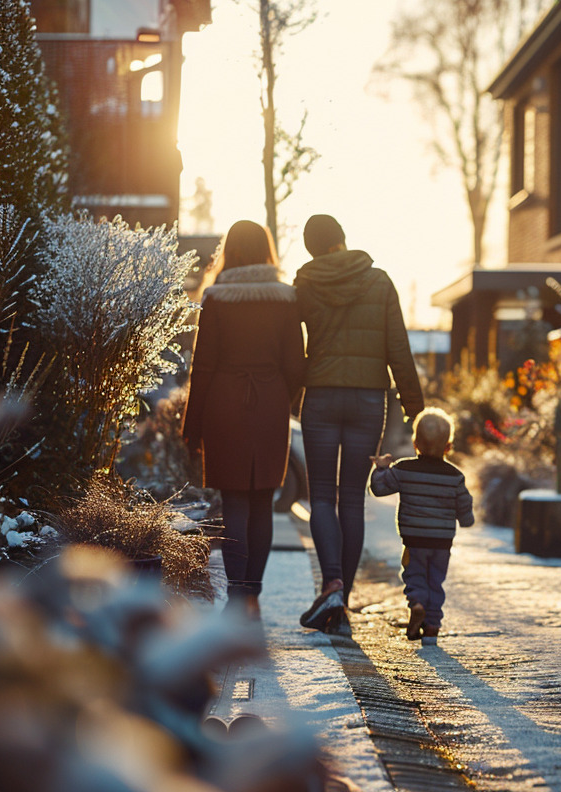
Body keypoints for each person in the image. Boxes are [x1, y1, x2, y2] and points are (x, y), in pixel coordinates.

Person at [294, 214, 425, 634]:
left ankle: (331, 584)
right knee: (351, 499)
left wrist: (296, 384)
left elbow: (289, 345)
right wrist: (415, 409)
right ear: (343, 240)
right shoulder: (379, 281)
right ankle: (341, 602)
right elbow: (398, 348)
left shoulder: (305, 283)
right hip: (369, 399)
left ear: (312, 248)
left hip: (322, 397)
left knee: (321, 497)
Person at [182, 220, 305, 620]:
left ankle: (237, 596)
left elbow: (202, 367)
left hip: (224, 404)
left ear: (229, 251)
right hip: (270, 404)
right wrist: (281, 398)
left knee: (233, 498)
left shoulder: (216, 299)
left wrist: (192, 426)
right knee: (263, 502)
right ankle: (252, 596)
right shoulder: (286, 298)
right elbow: (295, 365)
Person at [369, 407, 474, 646]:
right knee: (435, 580)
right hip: (442, 542)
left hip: (414, 539)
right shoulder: (455, 476)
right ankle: (432, 627)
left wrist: (381, 468)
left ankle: (416, 603)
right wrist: (466, 519)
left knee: (415, 574)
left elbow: (379, 488)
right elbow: (464, 503)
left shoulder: (404, 469)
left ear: (415, 443)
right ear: (448, 447)